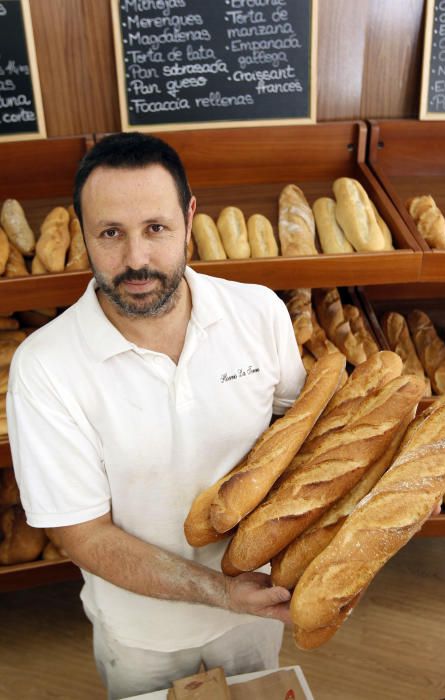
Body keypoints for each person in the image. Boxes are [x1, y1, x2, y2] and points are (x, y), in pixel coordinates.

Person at [6, 132, 306, 699]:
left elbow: (297, 443)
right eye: (111, 234)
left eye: (156, 228)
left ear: (189, 217)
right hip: (141, 634)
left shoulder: (259, 312)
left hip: (257, 614)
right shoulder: (44, 368)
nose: (136, 259)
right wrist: (221, 591)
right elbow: (83, 533)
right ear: (82, 232)